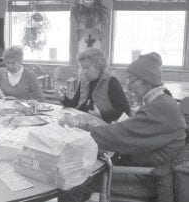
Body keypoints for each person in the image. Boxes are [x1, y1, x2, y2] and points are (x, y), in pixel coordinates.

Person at [59, 52, 187, 202]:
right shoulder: (163, 103)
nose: (130, 86)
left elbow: (118, 135)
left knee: (71, 183)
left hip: (147, 179)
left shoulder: (161, 108)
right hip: (149, 171)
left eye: (132, 80)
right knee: (82, 175)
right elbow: (129, 131)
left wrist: (82, 127)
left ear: (147, 81)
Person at [59, 48, 130, 123]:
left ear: (98, 66)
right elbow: (75, 104)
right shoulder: (83, 81)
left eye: (87, 68)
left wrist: (102, 115)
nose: (84, 72)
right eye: (83, 68)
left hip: (102, 125)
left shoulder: (111, 81)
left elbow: (125, 109)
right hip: (81, 121)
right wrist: (63, 98)